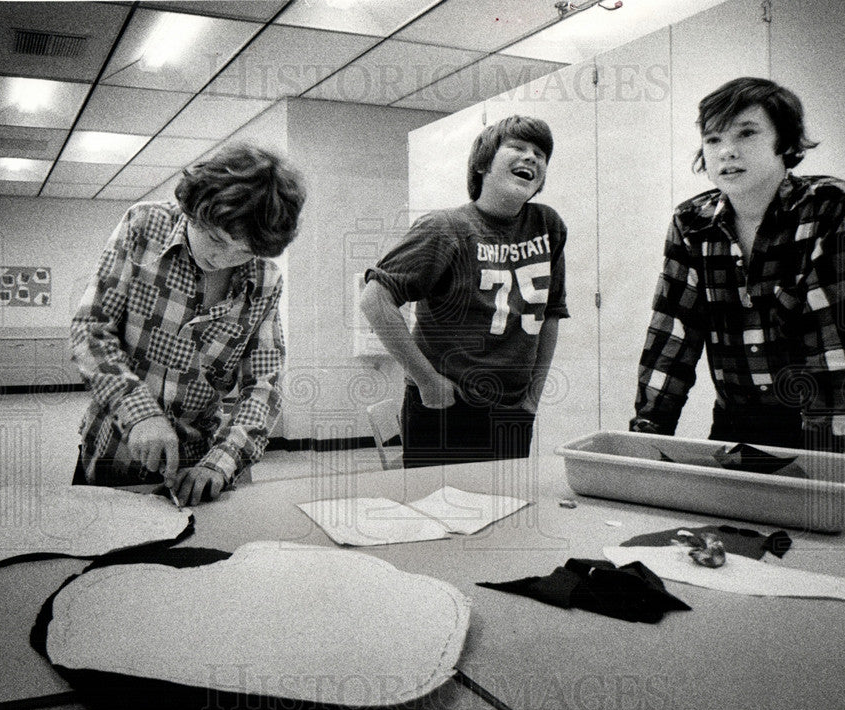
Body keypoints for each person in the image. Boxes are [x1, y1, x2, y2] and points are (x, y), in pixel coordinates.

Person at [631, 77, 845, 488]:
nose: (727, 151)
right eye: (714, 138)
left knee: (815, 546)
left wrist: (832, 468)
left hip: (817, 429)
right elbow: (673, 336)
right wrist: (645, 447)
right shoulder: (691, 223)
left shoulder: (829, 205)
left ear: (785, 143)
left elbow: (834, 343)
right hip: (735, 430)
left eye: (747, 133)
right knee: (718, 542)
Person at [70, 143, 306, 504]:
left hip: (196, 466)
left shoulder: (265, 280)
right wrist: (140, 413)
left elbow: (262, 384)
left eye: (242, 250)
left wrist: (221, 463)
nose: (222, 258)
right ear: (194, 209)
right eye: (215, 239)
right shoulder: (144, 226)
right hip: (112, 451)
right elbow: (91, 330)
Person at [360, 115, 568, 468]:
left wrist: (533, 395)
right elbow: (375, 298)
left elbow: (549, 314)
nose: (531, 157)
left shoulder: (547, 225)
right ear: (484, 164)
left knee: (505, 509)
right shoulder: (445, 228)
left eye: (540, 153)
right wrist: (427, 381)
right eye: (517, 148)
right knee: (437, 515)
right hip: (445, 405)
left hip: (512, 410)